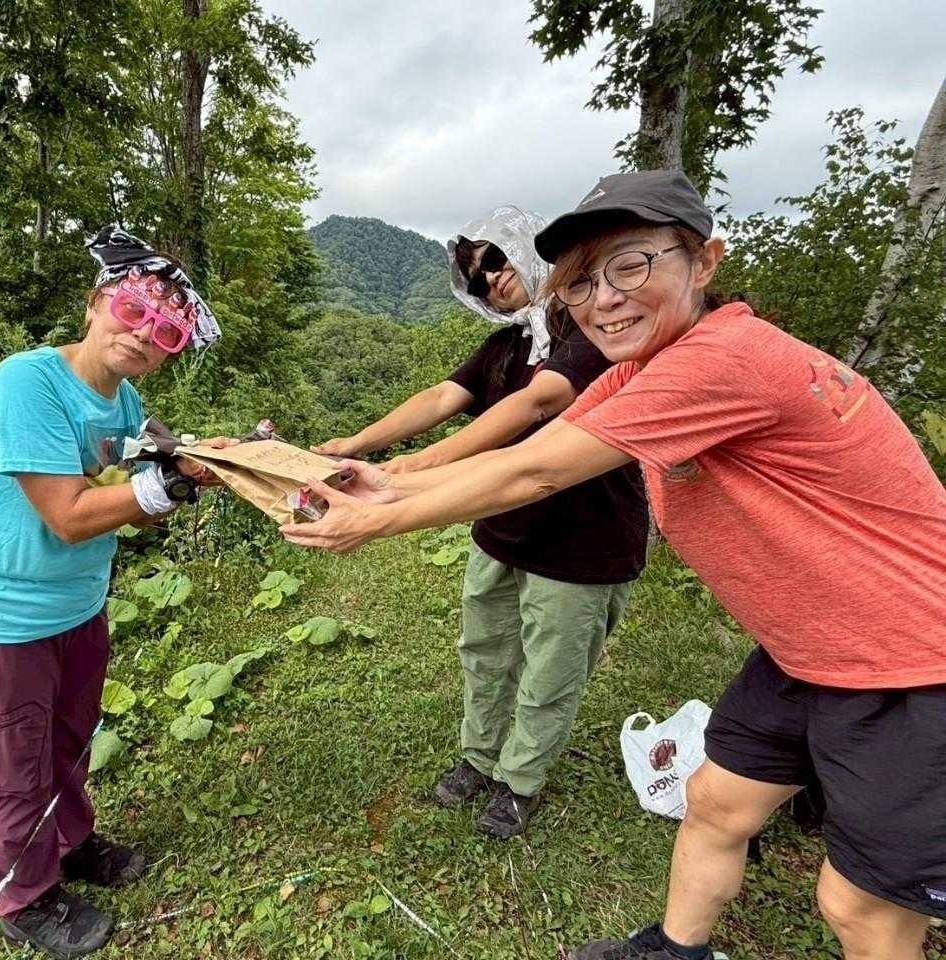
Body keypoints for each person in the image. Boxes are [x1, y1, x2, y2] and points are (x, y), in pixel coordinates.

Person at [282, 170, 946, 960]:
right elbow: (526, 452)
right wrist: (391, 483)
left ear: (704, 260)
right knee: (716, 802)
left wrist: (378, 520)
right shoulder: (641, 368)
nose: (604, 299)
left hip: (911, 658)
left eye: (631, 265)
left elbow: (537, 473)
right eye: (581, 281)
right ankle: (674, 949)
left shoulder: (721, 358)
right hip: (810, 646)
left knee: (859, 907)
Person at [0, 227, 227, 957]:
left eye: (165, 332)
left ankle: (70, 842)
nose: (143, 335)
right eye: (133, 312)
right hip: (1, 617)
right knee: (16, 768)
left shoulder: (124, 402)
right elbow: (67, 517)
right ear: (96, 304)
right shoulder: (27, 382)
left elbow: (150, 477)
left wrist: (202, 465)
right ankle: (25, 899)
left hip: (76, 606)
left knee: (70, 740)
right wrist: (166, 487)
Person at [315, 205, 648, 838]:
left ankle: (520, 780)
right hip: (501, 527)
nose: (491, 279)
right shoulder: (509, 343)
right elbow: (441, 397)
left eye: (495, 259)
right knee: (485, 653)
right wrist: (356, 443)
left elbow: (538, 402)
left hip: (585, 542)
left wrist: (416, 467)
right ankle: (479, 756)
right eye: (476, 276)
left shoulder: (592, 330)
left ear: (528, 250)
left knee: (550, 673)